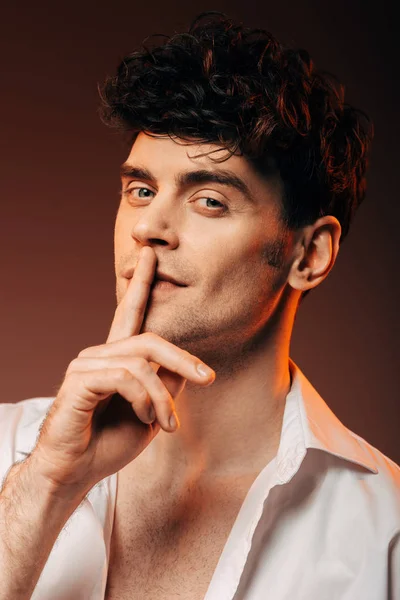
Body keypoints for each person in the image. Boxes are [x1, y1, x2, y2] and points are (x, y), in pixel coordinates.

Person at [0, 11, 399, 600]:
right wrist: (49, 483)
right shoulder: (13, 455)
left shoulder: (384, 532)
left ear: (309, 254)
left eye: (209, 200)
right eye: (140, 191)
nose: (150, 229)